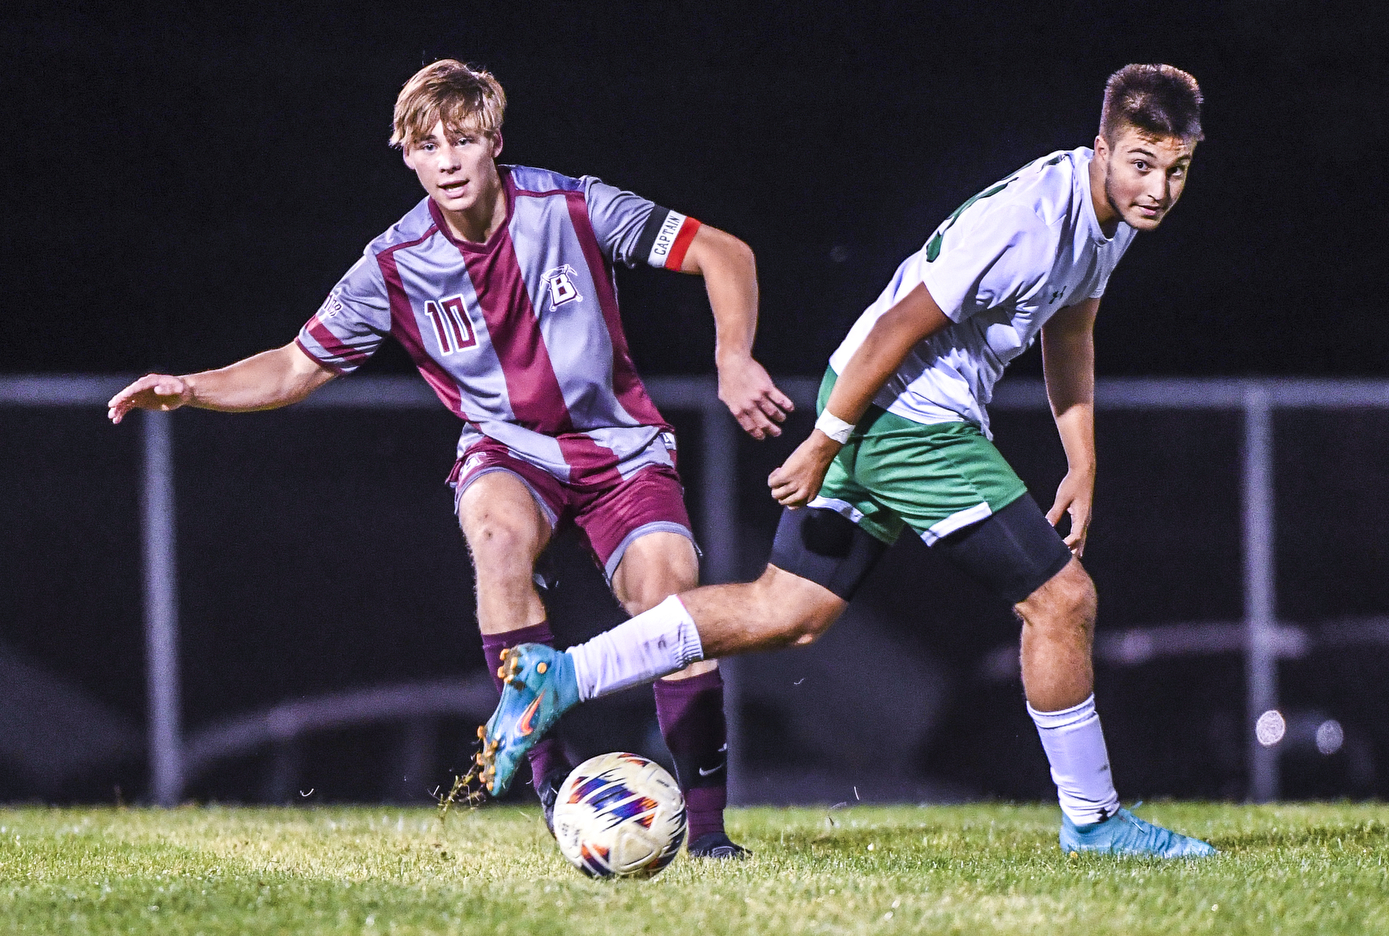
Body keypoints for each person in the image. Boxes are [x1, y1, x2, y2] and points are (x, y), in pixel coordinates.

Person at [475, 64, 1217, 858]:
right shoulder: (1033, 217)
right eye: (1142, 163)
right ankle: (1095, 822)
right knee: (1061, 599)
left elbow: (1071, 328)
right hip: (901, 418)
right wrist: (826, 440)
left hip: (878, 407)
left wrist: (1083, 459)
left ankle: (562, 676)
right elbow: (899, 324)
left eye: (1176, 169)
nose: (1160, 187)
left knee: (786, 612)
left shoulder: (1106, 219)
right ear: (1101, 147)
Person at [107, 59, 793, 859]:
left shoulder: (573, 204)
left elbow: (724, 252)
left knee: (669, 603)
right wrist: (192, 387)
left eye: (464, 141)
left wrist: (733, 357)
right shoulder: (393, 265)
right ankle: (557, 790)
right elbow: (296, 366)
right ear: (406, 155)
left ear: (495, 141)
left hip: (620, 452)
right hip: (508, 452)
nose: (448, 160)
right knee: (497, 539)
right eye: (428, 146)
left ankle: (708, 835)